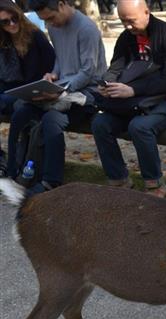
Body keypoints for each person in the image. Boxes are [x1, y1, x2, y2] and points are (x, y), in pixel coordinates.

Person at [91, 0, 166, 198]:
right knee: (100, 123)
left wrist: (132, 90)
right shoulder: (126, 38)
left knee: (140, 127)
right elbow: (116, 67)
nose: (128, 26)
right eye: (123, 21)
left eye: (131, 21)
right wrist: (107, 84)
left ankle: (154, 184)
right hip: (133, 103)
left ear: (146, 12)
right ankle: (118, 179)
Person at [5, 0, 106, 193]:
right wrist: (53, 75)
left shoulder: (86, 29)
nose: (50, 24)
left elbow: (88, 72)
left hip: (89, 93)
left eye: (51, 18)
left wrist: (61, 90)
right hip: (62, 88)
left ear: (61, 4)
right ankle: (13, 170)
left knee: (52, 120)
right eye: (45, 21)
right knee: (21, 112)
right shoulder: (54, 27)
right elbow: (60, 59)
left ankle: (51, 180)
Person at [0, 0, 55, 176]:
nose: (12, 24)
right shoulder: (4, 40)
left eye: (14, 18)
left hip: (32, 91)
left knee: (19, 111)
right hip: (10, 90)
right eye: (5, 22)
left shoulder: (35, 35)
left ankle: (13, 167)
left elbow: (52, 64)